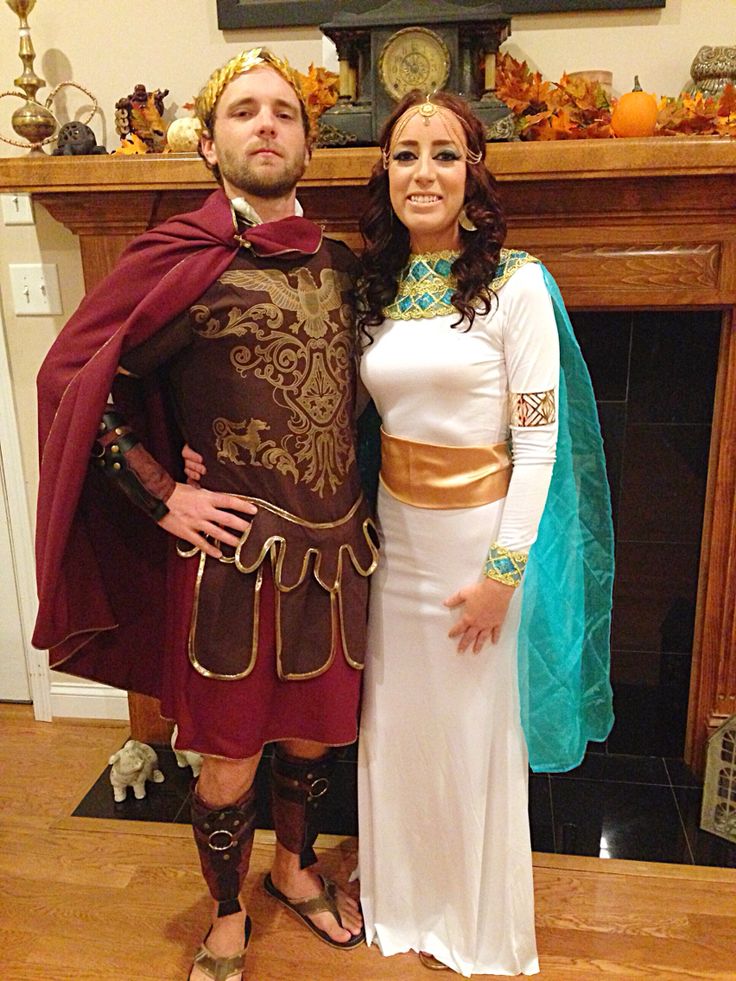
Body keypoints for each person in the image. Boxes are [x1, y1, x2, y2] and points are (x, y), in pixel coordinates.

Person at [32, 48, 379, 981]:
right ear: (211, 144)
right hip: (236, 562)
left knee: (311, 740)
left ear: (308, 143)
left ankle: (295, 870)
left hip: (339, 554)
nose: (265, 124)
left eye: (283, 112)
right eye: (243, 112)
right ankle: (226, 914)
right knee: (227, 761)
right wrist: (164, 491)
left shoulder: (347, 267)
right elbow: (76, 380)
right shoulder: (182, 263)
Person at [354, 92, 615, 976]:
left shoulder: (517, 285)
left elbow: (538, 442)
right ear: (384, 171)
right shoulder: (375, 287)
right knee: (399, 726)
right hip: (394, 547)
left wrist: (503, 573)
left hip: (477, 548)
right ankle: (400, 897)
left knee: (471, 734)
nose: (423, 173)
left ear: (474, 172)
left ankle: (469, 919)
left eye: (444, 154)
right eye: (404, 155)